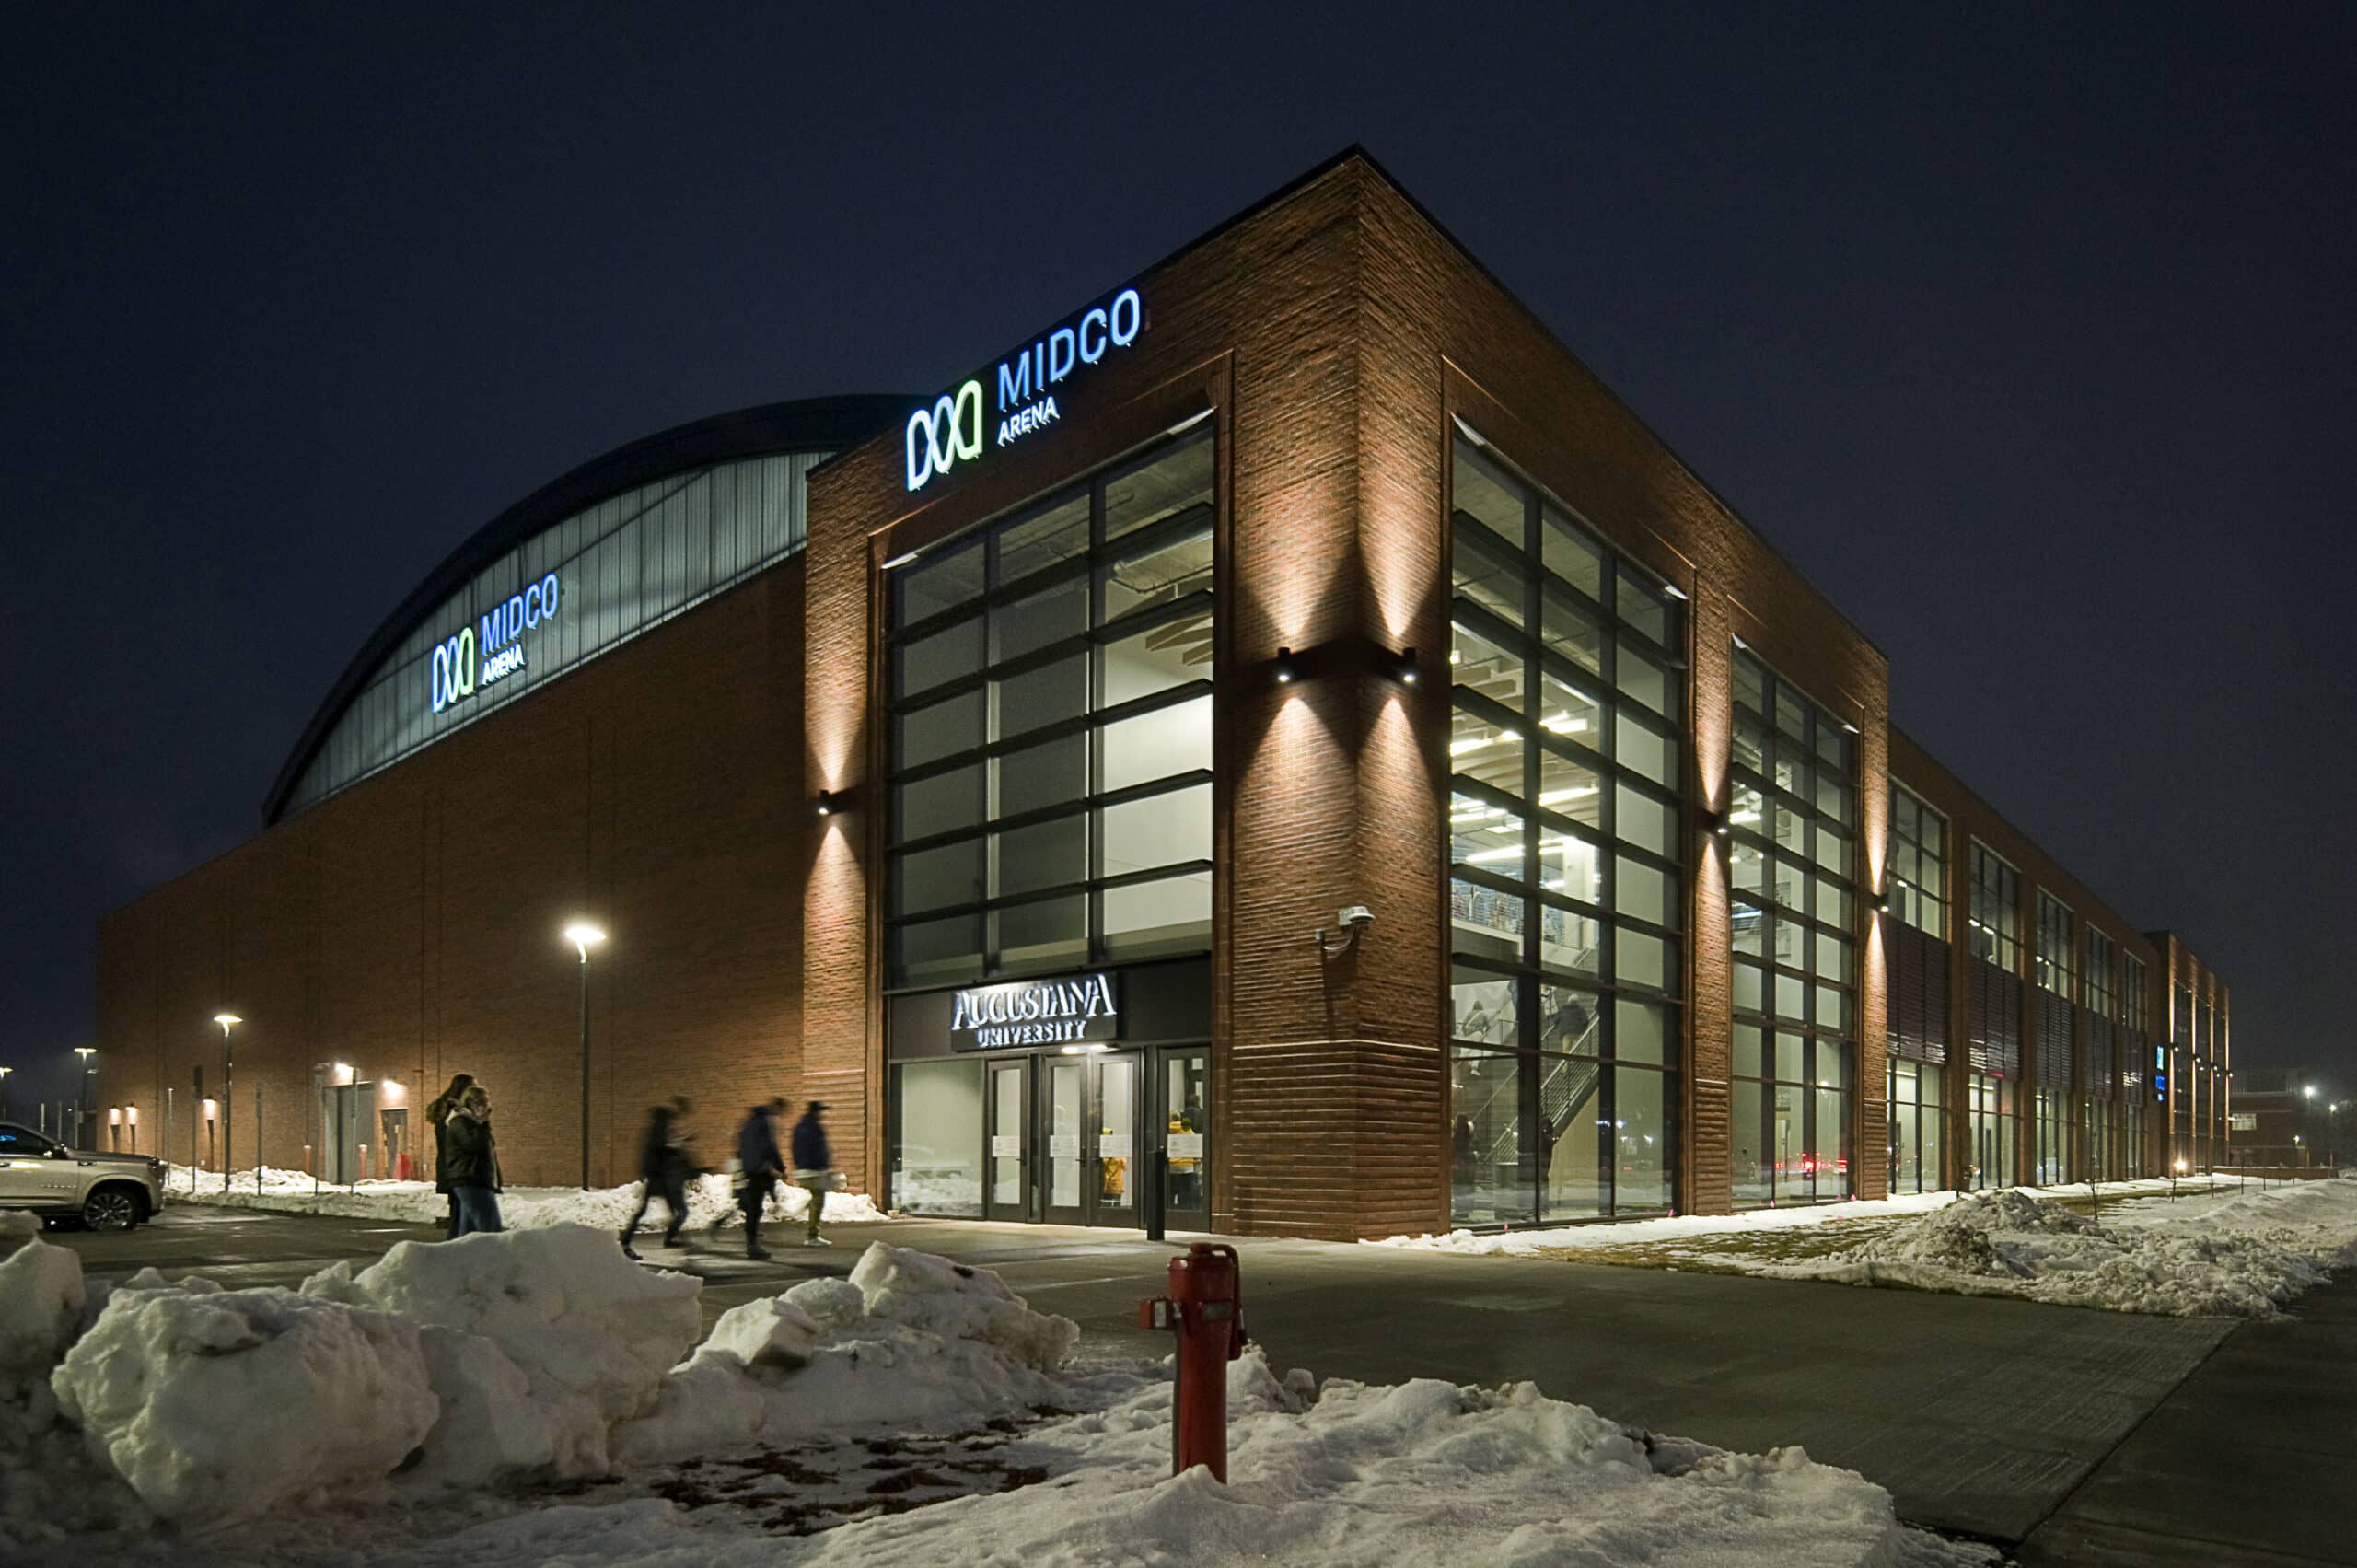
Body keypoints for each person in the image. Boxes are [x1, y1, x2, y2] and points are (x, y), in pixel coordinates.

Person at [621, 1105, 693, 1260]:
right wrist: (677, 1149)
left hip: (657, 1177)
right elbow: (662, 1152)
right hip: (659, 1179)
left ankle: (628, 1241)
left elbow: (655, 1153)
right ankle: (627, 1242)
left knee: (664, 1211)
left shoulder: (655, 1131)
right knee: (675, 1211)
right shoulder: (658, 1132)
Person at [445, 1085, 504, 1237]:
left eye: (486, 1103)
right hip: (470, 1180)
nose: (485, 1107)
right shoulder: (461, 1122)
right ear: (470, 1103)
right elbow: (478, 1145)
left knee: (468, 1232)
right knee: (490, 1228)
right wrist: (483, 1123)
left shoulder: (470, 1123)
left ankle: (459, 1258)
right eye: (481, 1103)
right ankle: (493, 1259)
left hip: (473, 1180)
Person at [735, 1098, 786, 1260]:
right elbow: (768, 1147)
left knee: (754, 1208)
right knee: (755, 1209)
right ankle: (752, 1245)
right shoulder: (765, 1123)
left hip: (750, 1169)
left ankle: (752, 1242)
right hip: (759, 1170)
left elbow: (744, 1146)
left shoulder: (750, 1122)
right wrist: (778, 1167)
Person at [424, 1073, 474, 1239]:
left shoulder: (444, 1110)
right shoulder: (458, 1112)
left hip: (450, 1164)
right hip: (463, 1166)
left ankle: (456, 1244)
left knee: (458, 1208)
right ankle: (459, 1247)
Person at [790, 1100, 834, 1247]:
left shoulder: (800, 1127)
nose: (825, 1114)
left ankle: (808, 1221)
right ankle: (812, 1235)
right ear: (817, 1112)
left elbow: (795, 1148)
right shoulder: (814, 1127)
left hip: (804, 1168)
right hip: (813, 1169)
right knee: (818, 1200)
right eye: (823, 1111)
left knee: (816, 1199)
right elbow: (819, 1149)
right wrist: (824, 1165)